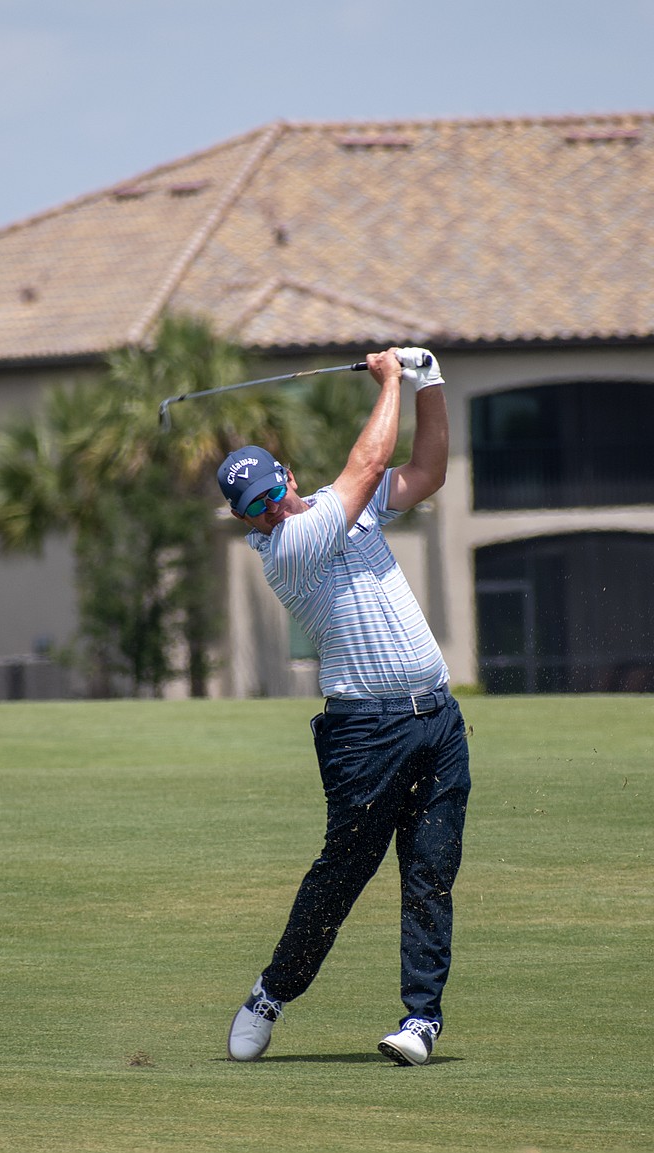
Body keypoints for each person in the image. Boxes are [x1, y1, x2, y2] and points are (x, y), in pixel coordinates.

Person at [216, 347, 471, 1066]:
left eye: (274, 491)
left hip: (438, 720)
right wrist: (391, 377)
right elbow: (363, 468)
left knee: (430, 870)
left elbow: (427, 472)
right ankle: (272, 991)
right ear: (248, 520)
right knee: (341, 875)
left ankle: (420, 1019)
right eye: (255, 508)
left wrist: (431, 381)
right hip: (366, 732)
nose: (272, 508)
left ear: (288, 476)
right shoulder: (290, 545)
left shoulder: (340, 511)